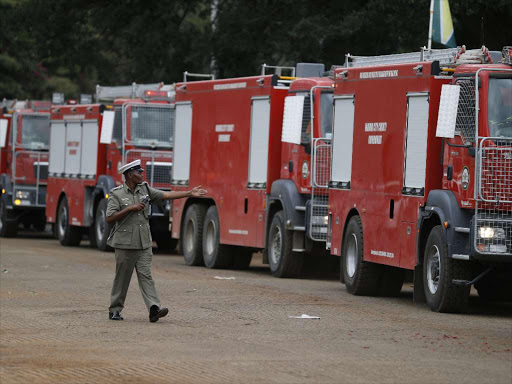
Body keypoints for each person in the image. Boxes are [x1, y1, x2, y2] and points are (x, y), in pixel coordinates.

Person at [106, 159, 207, 322]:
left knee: (146, 276)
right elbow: (109, 218)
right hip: (124, 244)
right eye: (139, 172)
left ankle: (154, 309)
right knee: (122, 278)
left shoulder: (145, 189)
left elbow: (165, 195)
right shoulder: (117, 193)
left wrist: (188, 193)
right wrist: (130, 208)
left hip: (144, 243)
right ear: (130, 174)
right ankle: (115, 309)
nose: (141, 174)